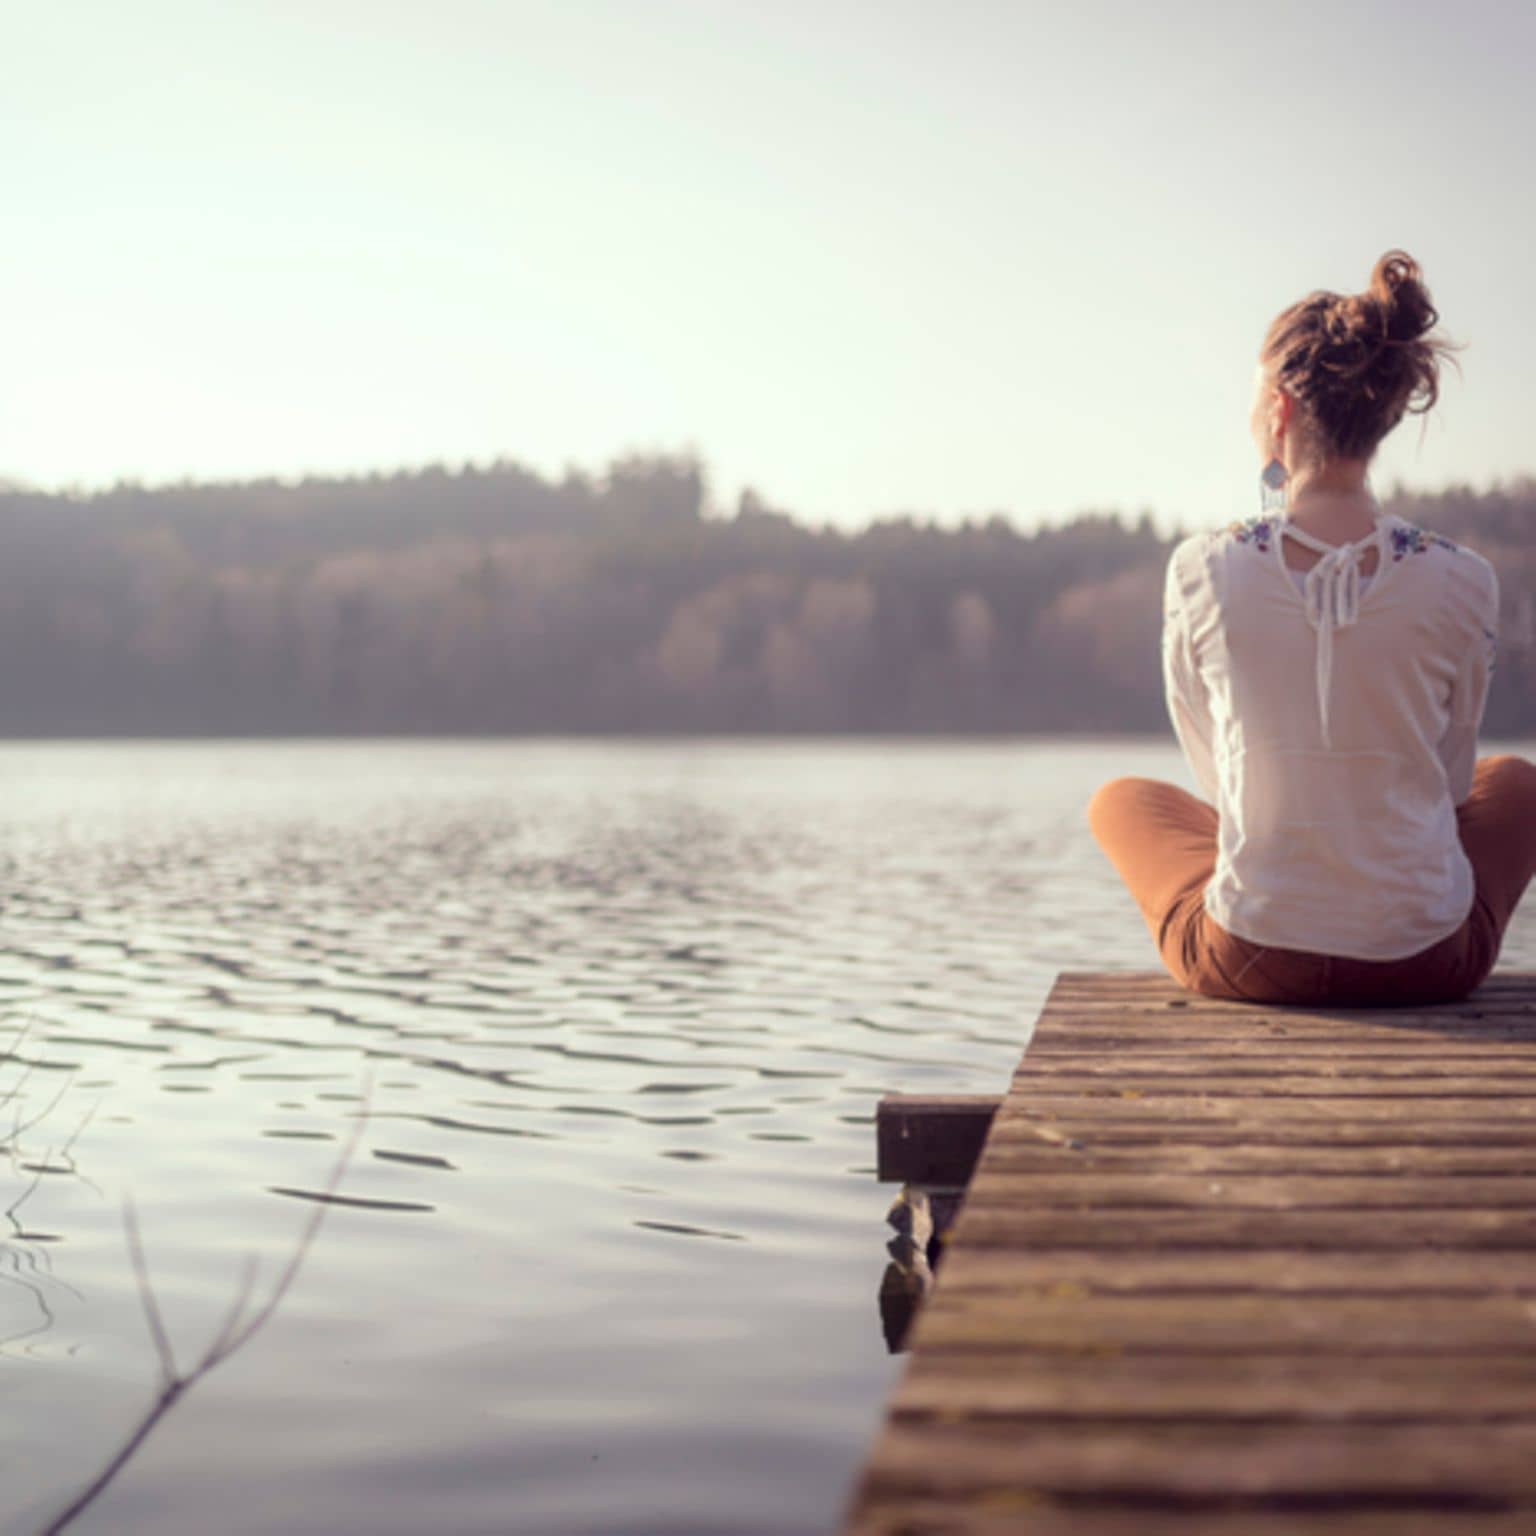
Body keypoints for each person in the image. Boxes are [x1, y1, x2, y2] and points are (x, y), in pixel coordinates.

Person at [1088, 250, 1536, 1006]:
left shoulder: (1201, 568)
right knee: (1516, 783)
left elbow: (1217, 781)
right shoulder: (1466, 578)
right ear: (1384, 415)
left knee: (1120, 801)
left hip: (1252, 957)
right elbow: (1454, 782)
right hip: (1427, 961)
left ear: (1281, 411)